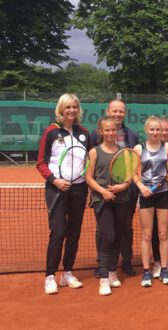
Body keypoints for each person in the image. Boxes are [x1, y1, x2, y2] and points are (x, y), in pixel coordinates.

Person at [36, 93, 89, 295]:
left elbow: (89, 162)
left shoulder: (84, 133)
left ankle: (67, 273)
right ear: (61, 110)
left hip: (79, 188)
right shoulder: (51, 132)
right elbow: (40, 163)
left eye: (75, 107)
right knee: (58, 232)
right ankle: (50, 276)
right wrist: (55, 180)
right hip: (56, 189)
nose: (72, 111)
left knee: (74, 233)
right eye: (68, 107)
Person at [90, 99, 139, 276]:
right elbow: (92, 165)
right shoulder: (95, 136)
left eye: (121, 111)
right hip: (101, 193)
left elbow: (134, 163)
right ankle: (102, 264)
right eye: (114, 111)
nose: (118, 114)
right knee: (103, 230)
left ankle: (125, 261)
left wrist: (124, 185)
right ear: (108, 112)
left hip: (126, 192)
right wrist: (101, 190)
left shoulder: (132, 135)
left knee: (125, 228)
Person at [86, 116, 131, 295]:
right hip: (101, 200)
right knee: (108, 236)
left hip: (122, 200)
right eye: (107, 130)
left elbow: (128, 178)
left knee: (118, 236)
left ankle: (112, 271)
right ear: (101, 132)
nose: (111, 133)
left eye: (113, 130)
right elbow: (88, 178)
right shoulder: (94, 152)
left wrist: (123, 186)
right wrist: (103, 192)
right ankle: (104, 277)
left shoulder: (125, 153)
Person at [133, 116, 168, 287]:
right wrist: (140, 186)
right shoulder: (138, 148)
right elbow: (134, 172)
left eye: (158, 129)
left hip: (163, 193)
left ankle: (164, 269)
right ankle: (146, 272)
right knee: (147, 234)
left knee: (163, 234)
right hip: (145, 194)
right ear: (146, 130)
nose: (156, 132)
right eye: (152, 129)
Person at [151, 117, 168, 276]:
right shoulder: (149, 150)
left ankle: (166, 260)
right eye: (161, 129)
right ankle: (157, 262)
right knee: (155, 229)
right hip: (153, 195)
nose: (164, 132)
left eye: (167, 129)